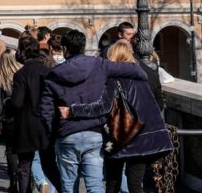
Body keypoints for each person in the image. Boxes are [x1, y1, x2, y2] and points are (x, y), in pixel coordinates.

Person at [40, 30, 149, 193]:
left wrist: (52, 134)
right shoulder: (99, 64)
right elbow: (138, 72)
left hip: (67, 134)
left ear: (64, 49)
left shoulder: (53, 75)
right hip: (94, 133)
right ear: (83, 47)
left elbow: (46, 112)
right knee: (95, 185)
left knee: (69, 186)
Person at [59, 40, 174, 193]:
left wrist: (72, 111)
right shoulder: (142, 78)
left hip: (120, 136)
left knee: (113, 182)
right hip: (143, 136)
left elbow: (102, 107)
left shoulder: (113, 79)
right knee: (135, 183)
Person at [10, 37, 55, 193]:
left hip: (26, 123)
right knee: (50, 164)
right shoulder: (49, 71)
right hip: (47, 122)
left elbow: (16, 102)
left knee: (24, 166)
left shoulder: (21, 74)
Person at [0, 49, 22, 193]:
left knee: (11, 151)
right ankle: (27, 178)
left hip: (9, 119)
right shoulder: (23, 75)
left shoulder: (1, 79)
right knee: (25, 150)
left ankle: (14, 181)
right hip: (24, 117)